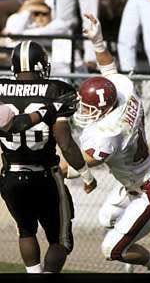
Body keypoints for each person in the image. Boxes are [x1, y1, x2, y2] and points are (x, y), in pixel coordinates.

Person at [67, 13, 150, 273]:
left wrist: (48, 160)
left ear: (103, 110)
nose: (83, 112)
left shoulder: (110, 131)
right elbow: (109, 71)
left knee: (112, 250)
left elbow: (81, 162)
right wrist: (97, 41)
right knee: (107, 217)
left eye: (88, 108)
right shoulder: (121, 94)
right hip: (142, 178)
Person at [0, 40, 95, 273]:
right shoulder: (57, 89)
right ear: (42, 64)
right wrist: (86, 174)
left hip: (10, 176)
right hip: (45, 177)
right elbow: (66, 143)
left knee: (26, 231)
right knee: (61, 241)